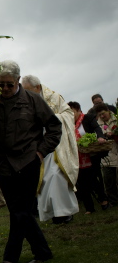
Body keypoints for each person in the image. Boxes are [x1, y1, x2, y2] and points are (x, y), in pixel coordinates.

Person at [0, 61, 60, 263]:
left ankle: (10, 259)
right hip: (3, 165)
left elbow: (54, 127)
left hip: (28, 161)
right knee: (20, 212)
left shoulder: (33, 100)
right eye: (1, 84)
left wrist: (41, 151)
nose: (6, 89)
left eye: (10, 84)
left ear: (18, 80)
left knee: (20, 211)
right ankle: (43, 252)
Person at [20, 75, 79, 224]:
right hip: (40, 146)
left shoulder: (54, 97)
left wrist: (51, 118)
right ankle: (52, 213)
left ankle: (64, 212)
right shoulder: (26, 101)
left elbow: (68, 115)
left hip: (57, 145)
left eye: (29, 90)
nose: (26, 94)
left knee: (56, 176)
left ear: (37, 87)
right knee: (44, 179)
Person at [68, 101, 110, 213]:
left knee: (93, 179)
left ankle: (103, 200)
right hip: (77, 156)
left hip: (91, 153)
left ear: (78, 110)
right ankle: (89, 208)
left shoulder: (87, 118)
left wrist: (100, 137)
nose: (71, 115)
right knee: (82, 182)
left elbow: (97, 129)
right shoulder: (68, 124)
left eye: (72, 112)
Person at [95, 103, 118, 208]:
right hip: (106, 156)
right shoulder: (97, 124)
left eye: (103, 114)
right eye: (100, 115)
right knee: (108, 180)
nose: (102, 116)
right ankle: (113, 201)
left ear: (108, 111)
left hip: (116, 150)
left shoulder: (116, 118)